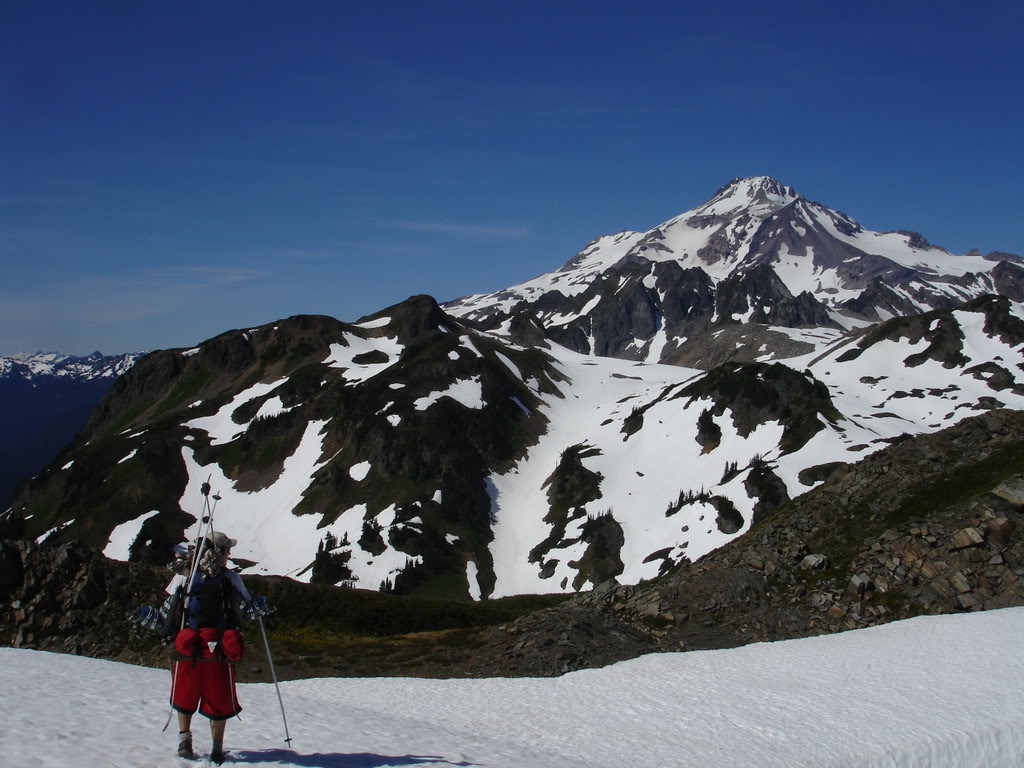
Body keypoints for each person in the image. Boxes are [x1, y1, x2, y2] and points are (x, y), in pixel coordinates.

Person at [164, 531, 252, 765]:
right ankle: (217, 749)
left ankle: (185, 740)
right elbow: (246, 607)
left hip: (188, 645)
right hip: (219, 648)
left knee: (185, 694)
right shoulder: (230, 578)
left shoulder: (184, 576)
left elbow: (169, 607)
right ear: (221, 552)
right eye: (227, 550)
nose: (230, 554)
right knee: (218, 699)